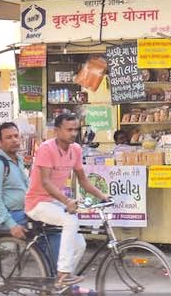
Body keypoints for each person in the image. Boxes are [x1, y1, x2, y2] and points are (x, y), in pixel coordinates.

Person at [26, 113, 110, 288]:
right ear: (57, 131)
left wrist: (103, 196)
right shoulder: (46, 149)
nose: (73, 133)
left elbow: (83, 180)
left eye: (76, 129)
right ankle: (63, 273)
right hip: (37, 203)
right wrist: (66, 201)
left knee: (79, 244)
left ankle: (60, 283)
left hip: (53, 202)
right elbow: (46, 182)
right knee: (71, 219)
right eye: (69, 129)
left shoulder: (76, 150)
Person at [0, 122, 30, 240]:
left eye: (16, 136)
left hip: (25, 211)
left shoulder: (19, 161)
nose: (14, 140)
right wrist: (12, 225)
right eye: (9, 137)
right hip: (11, 216)